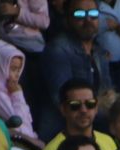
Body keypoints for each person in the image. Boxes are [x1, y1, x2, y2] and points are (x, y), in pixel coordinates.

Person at [39, 0, 111, 134]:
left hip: (93, 127)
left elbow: (109, 92)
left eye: (93, 14)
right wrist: (101, 103)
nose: (88, 19)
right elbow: (63, 100)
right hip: (61, 131)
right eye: (79, 14)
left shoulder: (99, 51)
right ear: (67, 19)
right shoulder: (58, 49)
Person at [33, 77, 114, 150]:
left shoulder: (108, 141)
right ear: (63, 109)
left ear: (96, 108)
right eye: (75, 105)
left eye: (90, 104)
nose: (83, 110)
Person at [0, 39, 40, 146]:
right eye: (13, 69)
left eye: (18, 69)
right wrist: (17, 94)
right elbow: (18, 122)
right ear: (0, 66)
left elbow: (27, 121)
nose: (16, 74)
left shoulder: (10, 88)